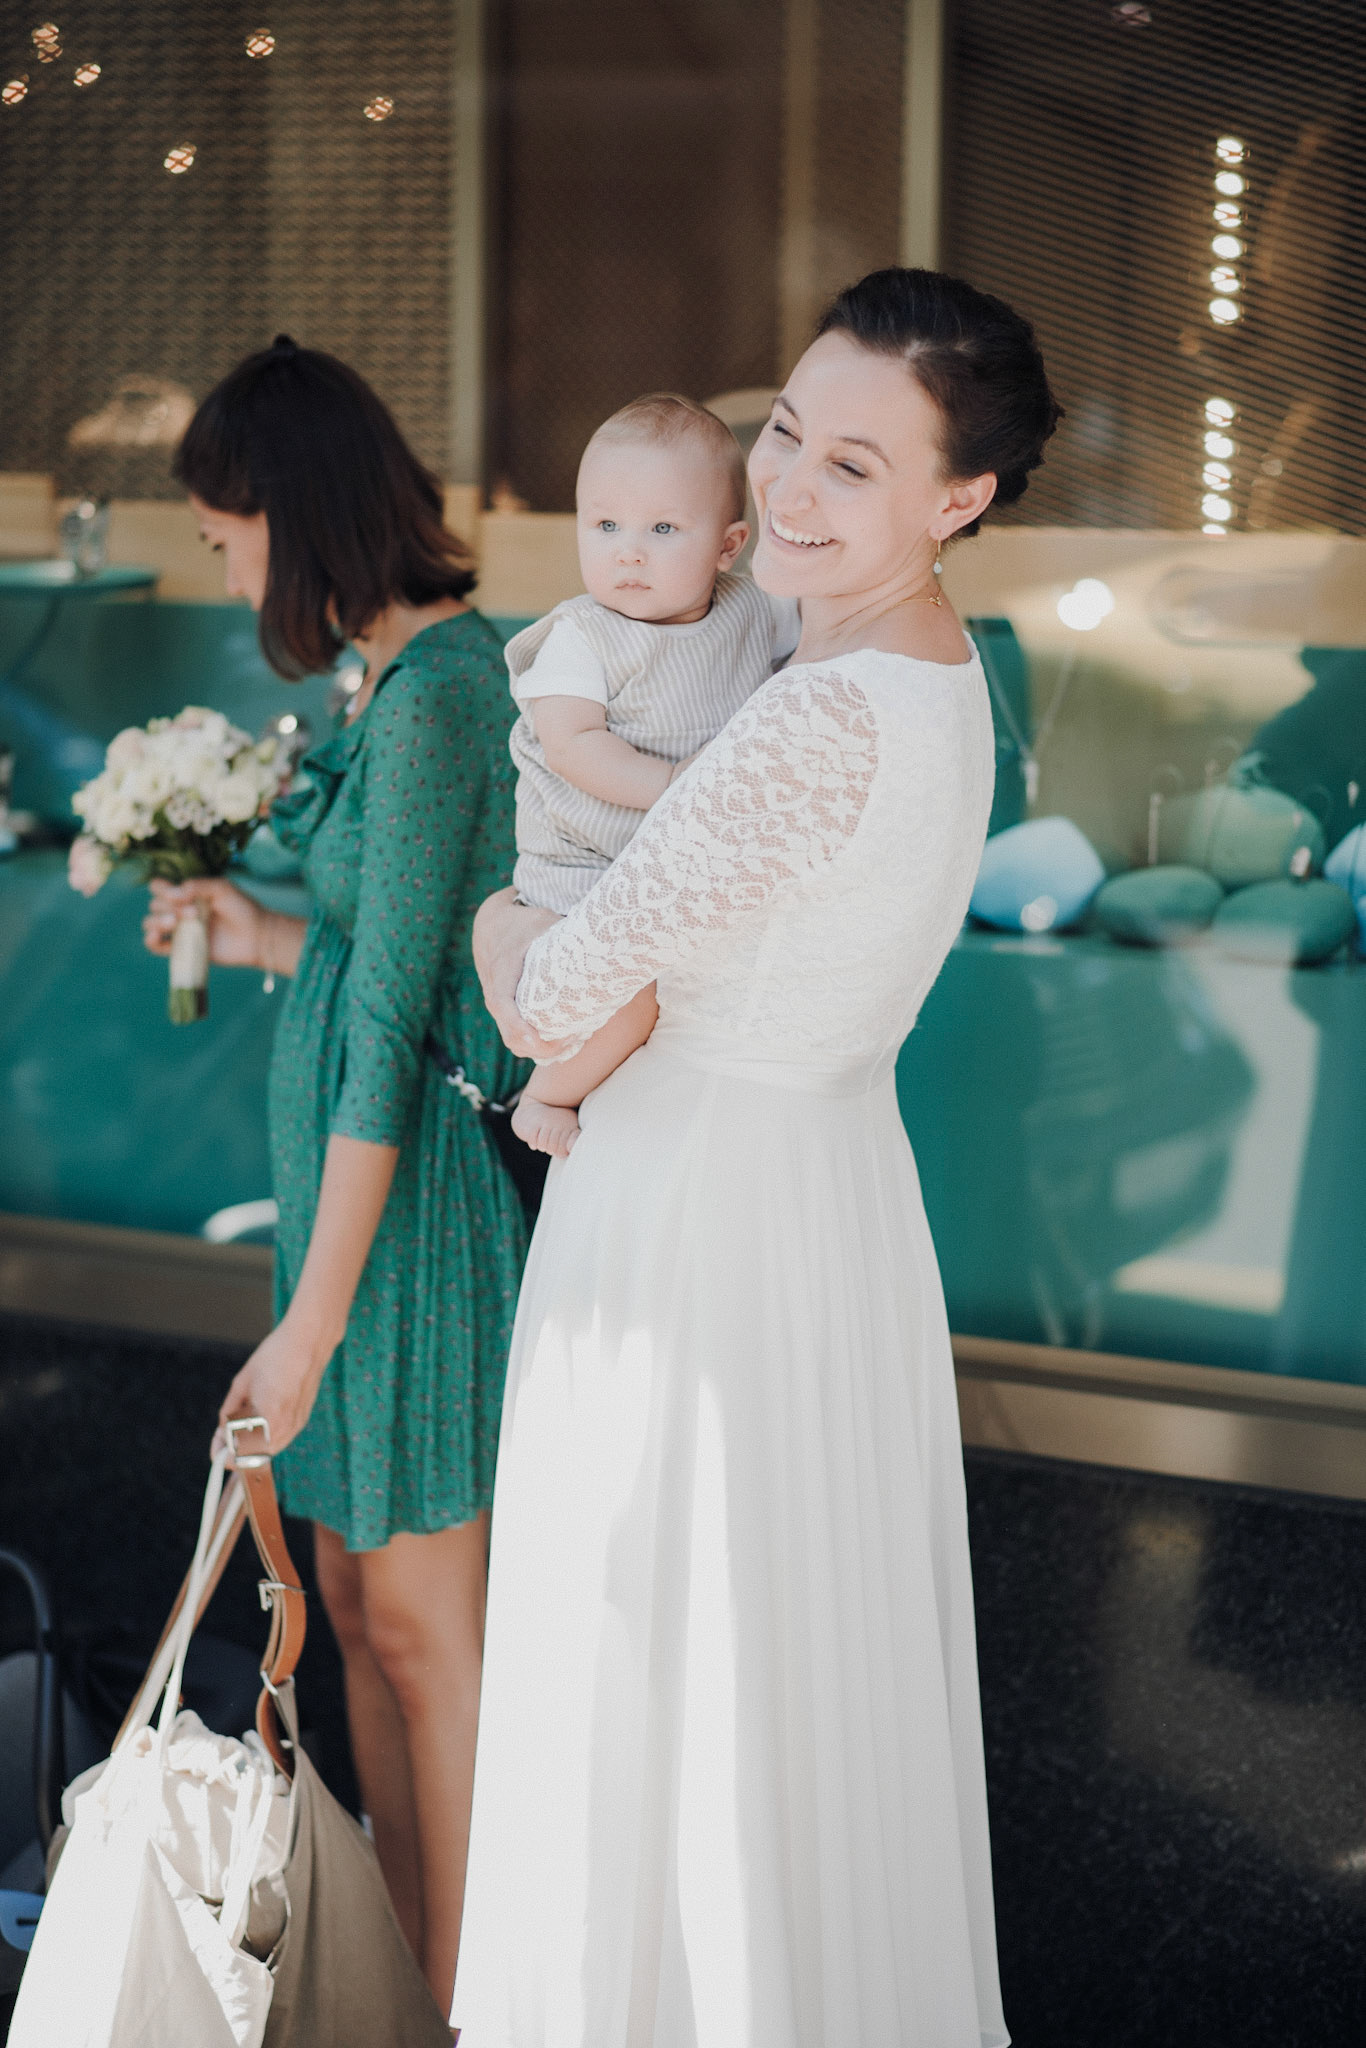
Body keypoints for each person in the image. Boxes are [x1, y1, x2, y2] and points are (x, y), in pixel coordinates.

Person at [455, 268, 1061, 2046]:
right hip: (814, 1205)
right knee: (773, 1695)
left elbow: (556, 999)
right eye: (787, 431)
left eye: (854, 465)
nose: (788, 486)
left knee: (673, 1683)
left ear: (960, 497)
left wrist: (493, 916)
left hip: (697, 1236)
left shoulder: (813, 717)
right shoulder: (923, 676)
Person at [141, 336, 530, 2017]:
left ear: (293, 515)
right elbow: (387, 962)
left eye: (227, 534)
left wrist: (306, 1321)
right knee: (359, 1611)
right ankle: (395, 1987)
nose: (225, 570)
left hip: (415, 1226)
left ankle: (465, 2001)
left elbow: (397, 1035)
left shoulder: (442, 693)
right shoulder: (387, 682)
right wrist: (256, 931)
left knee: (428, 1636)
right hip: (353, 1216)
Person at [506, 391, 797, 1157]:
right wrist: (675, 789)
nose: (628, 551)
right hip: (585, 863)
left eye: (662, 529)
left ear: (729, 546)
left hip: (676, 867)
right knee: (631, 990)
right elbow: (572, 745)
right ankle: (548, 1092)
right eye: (605, 526)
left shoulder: (754, 612)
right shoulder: (582, 636)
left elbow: (813, 653)